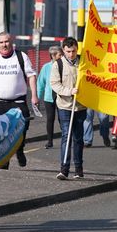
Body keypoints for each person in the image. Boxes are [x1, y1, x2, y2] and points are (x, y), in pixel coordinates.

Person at [0, 32, 38, 168]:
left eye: (6, 41)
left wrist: (34, 96)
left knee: (22, 129)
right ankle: (4, 160)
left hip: (18, 101)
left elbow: (31, 76)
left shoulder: (21, 57)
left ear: (11, 42)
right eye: (1, 42)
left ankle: (19, 150)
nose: (4, 45)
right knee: (1, 132)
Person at [50, 37, 87, 180]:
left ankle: (79, 169)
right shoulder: (57, 64)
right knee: (66, 136)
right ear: (63, 50)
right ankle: (64, 169)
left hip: (80, 106)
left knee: (78, 139)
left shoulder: (83, 62)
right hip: (65, 106)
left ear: (77, 49)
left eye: (73, 51)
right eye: (68, 51)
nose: (71, 54)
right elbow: (54, 84)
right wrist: (69, 91)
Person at [37, 46, 62, 148]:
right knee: (50, 119)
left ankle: (67, 139)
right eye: (60, 55)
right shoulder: (46, 67)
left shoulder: (64, 65)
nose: (62, 56)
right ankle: (50, 141)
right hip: (49, 97)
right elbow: (41, 83)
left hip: (62, 96)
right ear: (53, 55)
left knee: (63, 119)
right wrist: (38, 97)